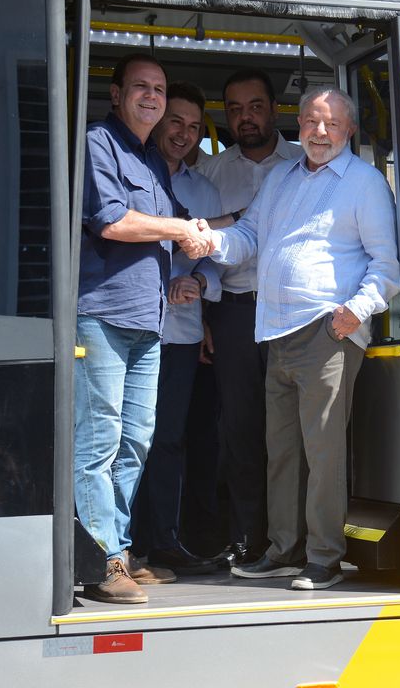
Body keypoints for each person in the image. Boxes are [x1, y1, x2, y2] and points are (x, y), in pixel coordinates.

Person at [197, 86, 400, 591]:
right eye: (311, 122)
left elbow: (387, 265)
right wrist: (209, 241)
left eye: (331, 123)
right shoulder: (282, 178)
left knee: (324, 450)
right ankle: (284, 549)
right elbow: (249, 236)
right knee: (283, 450)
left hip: (327, 331)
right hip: (276, 331)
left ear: (348, 130)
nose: (320, 132)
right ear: (299, 126)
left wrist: (355, 312)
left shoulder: (365, 182)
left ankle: (325, 557)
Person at [75, 53, 210, 604]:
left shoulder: (152, 161)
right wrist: (182, 229)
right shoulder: (97, 144)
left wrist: (209, 238)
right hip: (102, 315)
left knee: (136, 442)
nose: (152, 98)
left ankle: (121, 552)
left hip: (147, 322)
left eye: (158, 89)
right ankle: (100, 559)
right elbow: (112, 220)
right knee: (100, 441)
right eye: (142, 88)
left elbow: (178, 226)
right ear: (116, 94)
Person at [197, 69, 301, 566]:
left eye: (255, 106)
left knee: (294, 432)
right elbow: (197, 255)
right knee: (238, 430)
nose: (246, 117)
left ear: (275, 110)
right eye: (235, 109)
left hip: (294, 317)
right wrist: (202, 320)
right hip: (234, 316)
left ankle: (293, 539)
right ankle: (247, 537)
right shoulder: (212, 174)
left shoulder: (306, 163)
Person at [132, 82, 223, 575]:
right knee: (126, 438)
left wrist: (199, 281)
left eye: (193, 126)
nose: (184, 134)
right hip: (128, 325)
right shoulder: (131, 173)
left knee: (168, 438)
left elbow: (217, 261)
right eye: (176, 122)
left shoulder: (204, 190)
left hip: (181, 335)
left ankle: (162, 542)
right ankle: (119, 549)